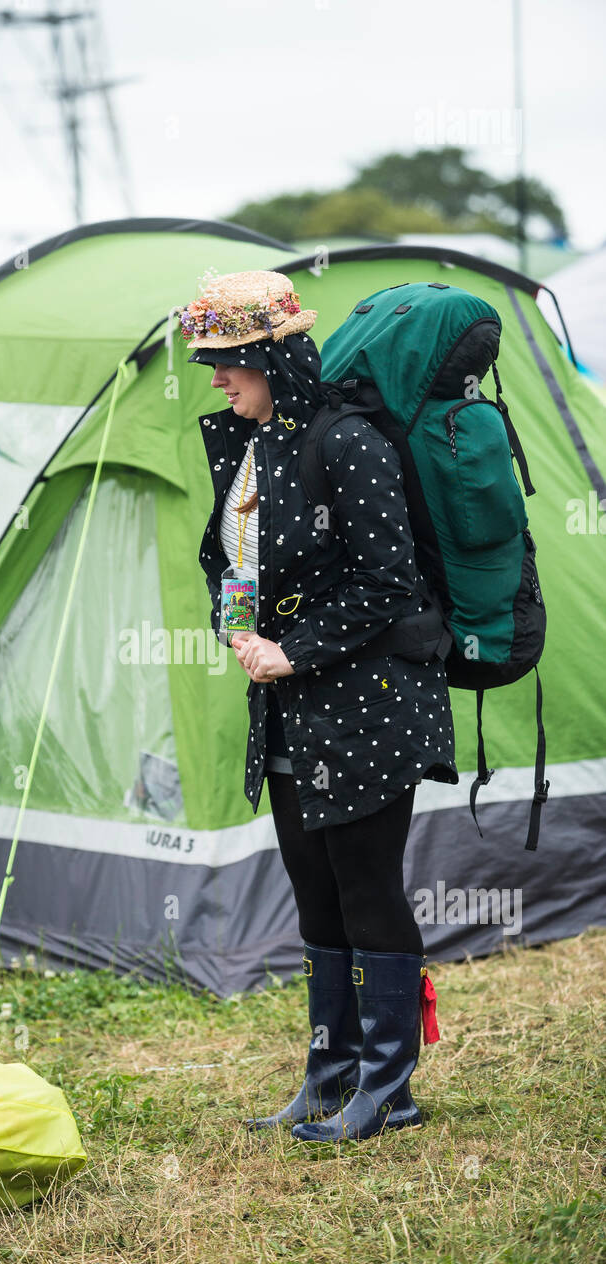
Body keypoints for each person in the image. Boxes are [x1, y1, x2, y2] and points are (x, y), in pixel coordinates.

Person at [177, 269, 458, 1143]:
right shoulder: (246, 443)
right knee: (314, 895)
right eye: (209, 363)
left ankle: (390, 1089)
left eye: (229, 362)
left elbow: (389, 580)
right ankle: (328, 1075)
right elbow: (232, 559)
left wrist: (292, 647)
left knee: (367, 890)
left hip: (371, 702)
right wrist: (236, 627)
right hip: (292, 709)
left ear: (271, 354)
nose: (217, 379)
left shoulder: (348, 442)